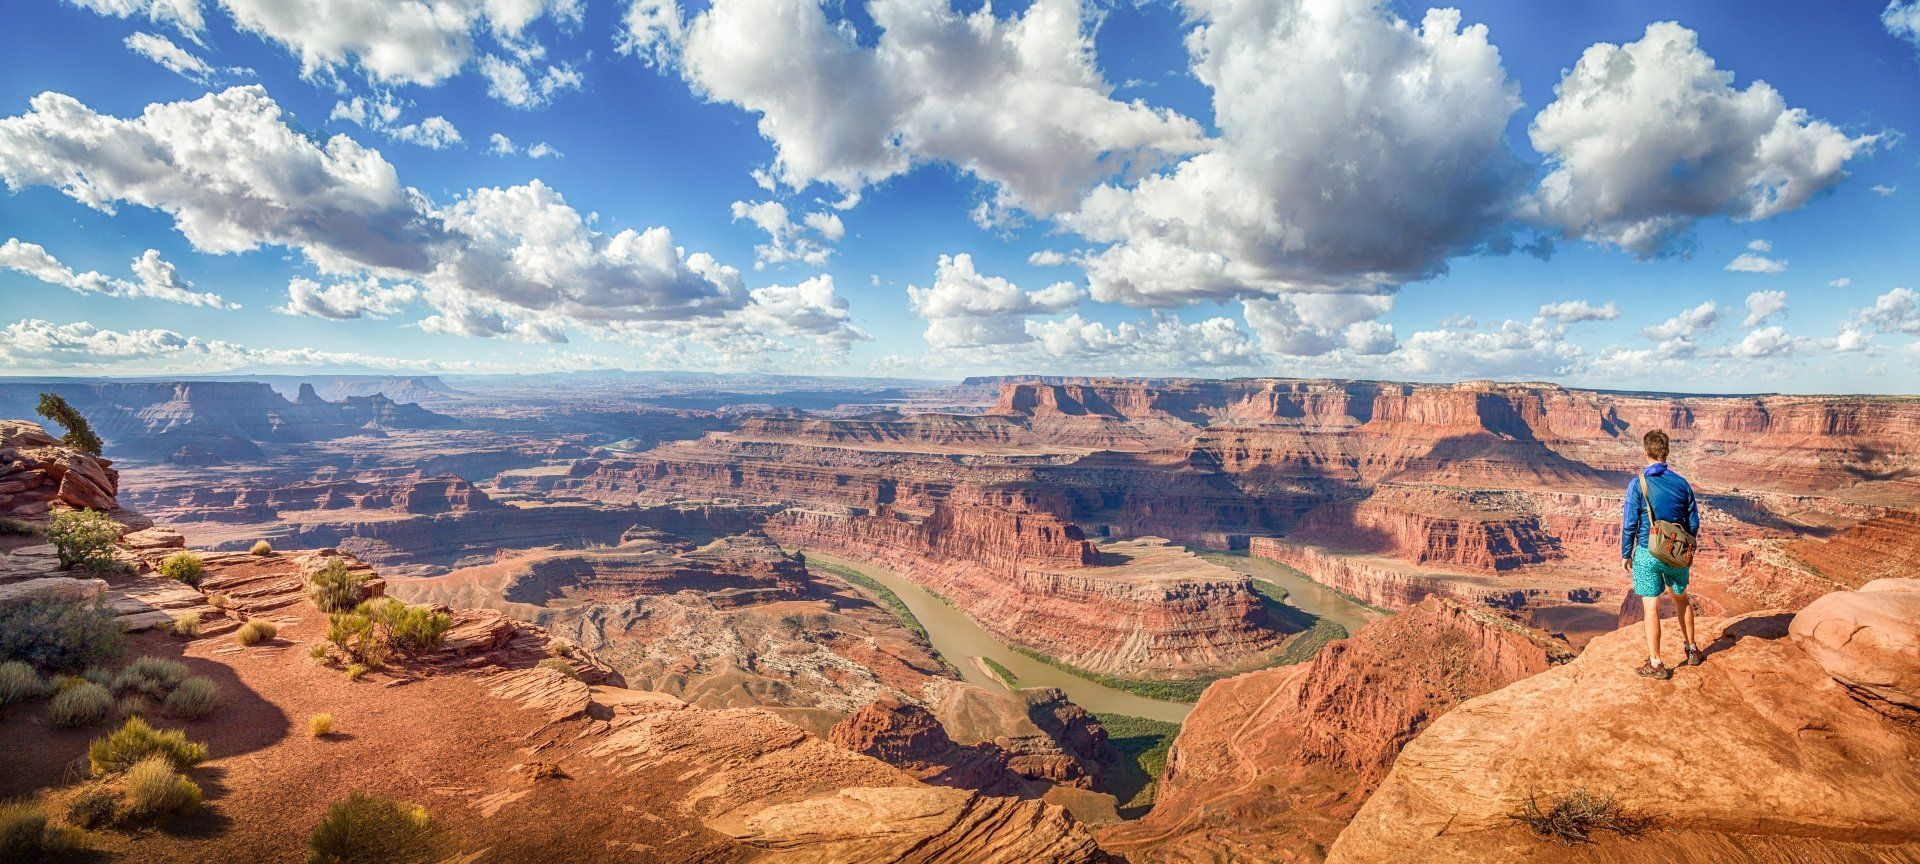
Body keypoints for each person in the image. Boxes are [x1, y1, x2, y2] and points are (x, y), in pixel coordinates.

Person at [1621, 429, 1701, 680]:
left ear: (1645, 452)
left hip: (1648, 552)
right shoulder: (1681, 483)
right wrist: (1682, 545)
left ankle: (1656, 663)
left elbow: (1629, 523)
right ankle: (1692, 650)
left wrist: (1626, 553)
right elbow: (1693, 523)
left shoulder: (1638, 484)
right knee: (1682, 600)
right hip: (1675, 552)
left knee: (1651, 608)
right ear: (1666, 452)